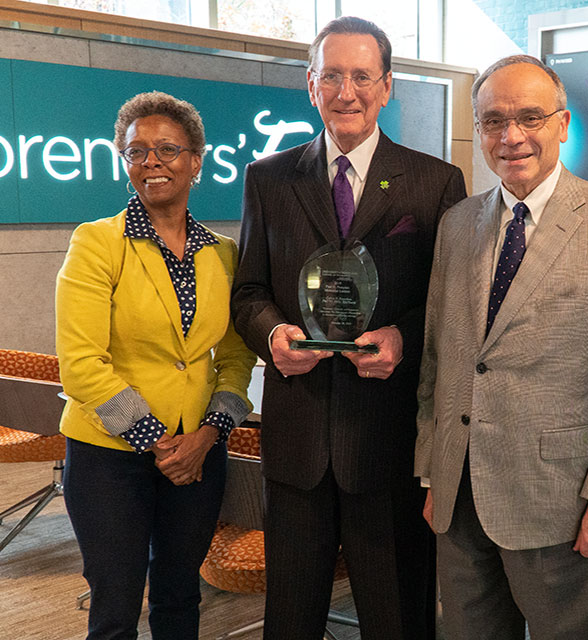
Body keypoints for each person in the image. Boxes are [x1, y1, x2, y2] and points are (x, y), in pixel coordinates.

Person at [415, 54, 588, 639]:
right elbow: (440, 357)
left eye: (530, 117)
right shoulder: (457, 224)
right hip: (460, 503)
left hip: (566, 506)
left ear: (562, 123)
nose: (512, 136)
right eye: (493, 121)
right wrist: (432, 472)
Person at [230, 16, 467, 640]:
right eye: (332, 76)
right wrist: (273, 335)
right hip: (297, 442)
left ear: (387, 87)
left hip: (389, 445)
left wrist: (402, 339)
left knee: (397, 621)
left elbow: (450, 306)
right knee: (290, 622)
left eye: (362, 76)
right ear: (311, 86)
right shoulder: (269, 179)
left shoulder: (436, 182)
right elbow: (249, 292)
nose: (347, 91)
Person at [56, 91, 256, 640]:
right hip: (110, 457)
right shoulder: (97, 243)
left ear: (196, 159)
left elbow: (237, 358)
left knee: (178, 596)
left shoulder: (223, 253)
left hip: (198, 452)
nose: (152, 163)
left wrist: (208, 435)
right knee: (115, 608)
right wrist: (159, 442)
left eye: (167, 149)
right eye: (137, 151)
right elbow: (79, 363)